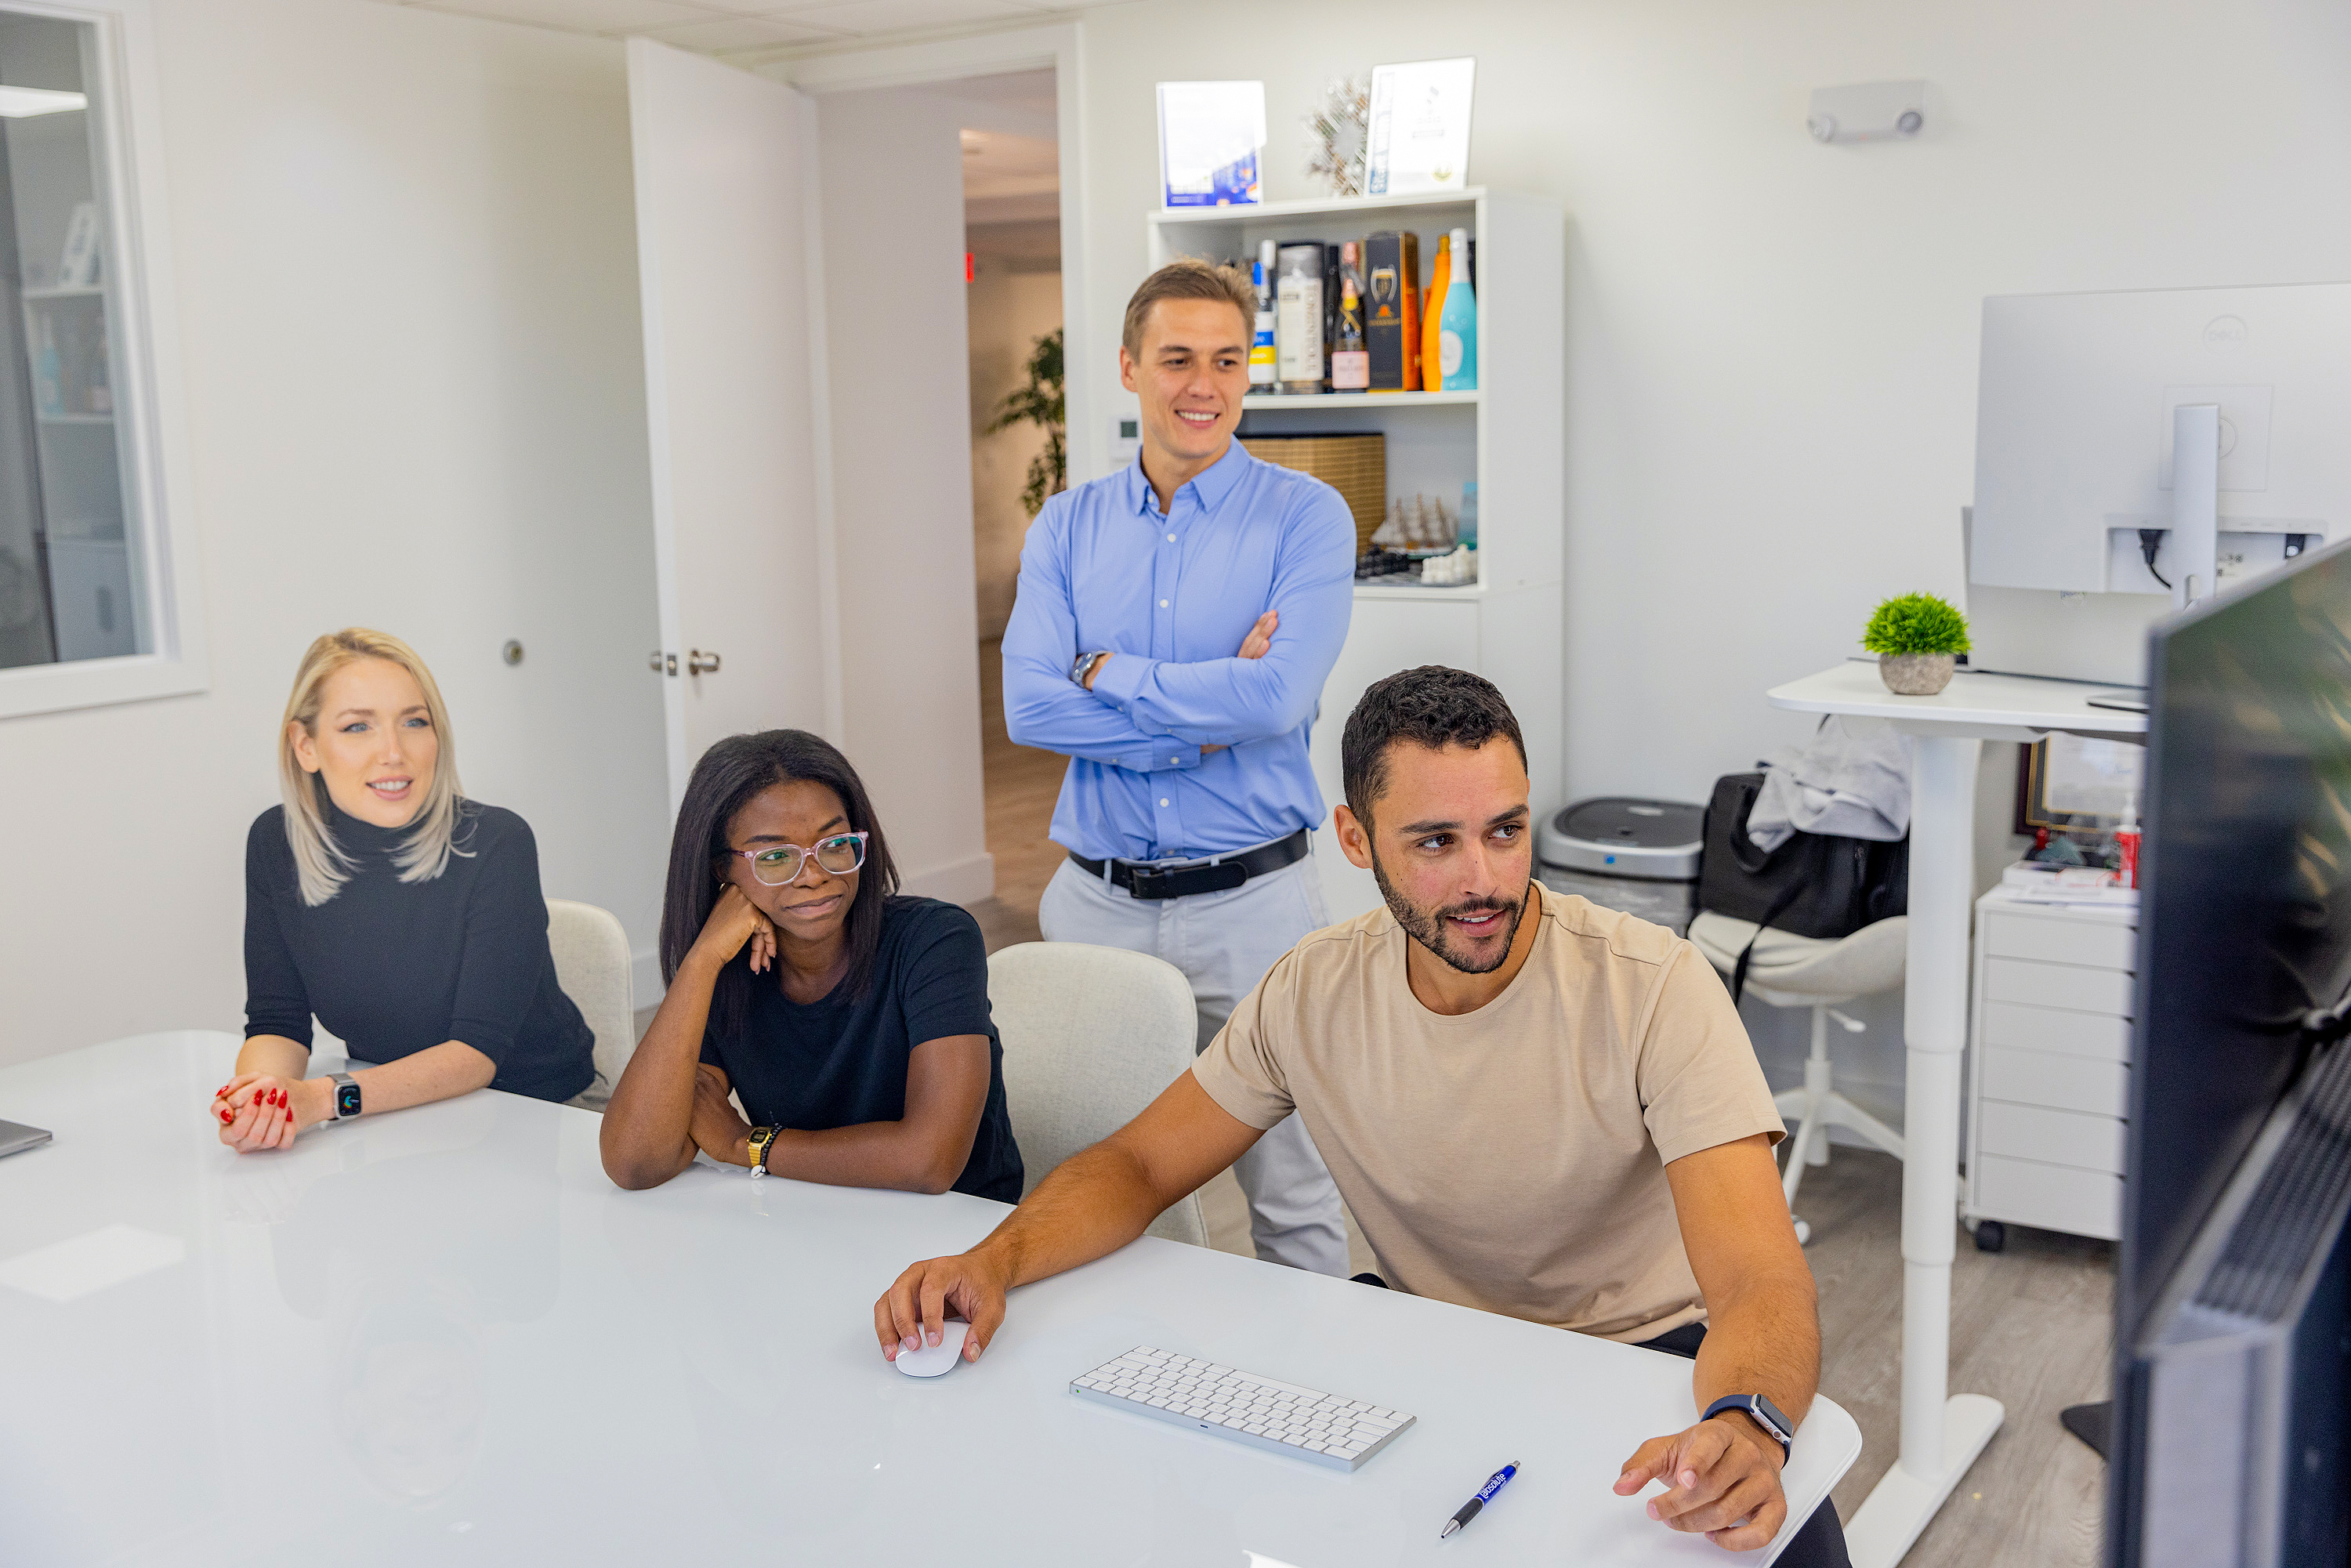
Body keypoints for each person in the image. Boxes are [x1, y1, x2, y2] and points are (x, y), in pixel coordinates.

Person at [875, 667, 1849, 1563]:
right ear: (1353, 840)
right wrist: (991, 1259)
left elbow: (1761, 1275)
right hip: (1426, 1355)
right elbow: (1137, 1167)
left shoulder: (1654, 987)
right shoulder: (1312, 989)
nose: (1483, 881)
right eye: (1435, 842)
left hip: (1651, 1359)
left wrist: (1748, 1423)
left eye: (1505, 831)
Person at [999, 258, 1357, 1274]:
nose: (1204, 384)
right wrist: (1202, 720)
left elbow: (1280, 697)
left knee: (1292, 1187)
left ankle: (1315, 1398)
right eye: (1177, 358)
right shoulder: (1068, 525)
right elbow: (1031, 704)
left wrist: (1112, 674)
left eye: (1228, 360)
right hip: (1096, 903)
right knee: (1086, 1167)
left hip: (1257, 907)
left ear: (1249, 373)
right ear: (1128, 367)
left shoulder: (1305, 516)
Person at [600, 730, 1022, 1200]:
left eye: (835, 844)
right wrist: (700, 962)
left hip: (958, 1240)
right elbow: (635, 1163)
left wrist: (746, 1146)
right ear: (722, 869)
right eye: (776, 856)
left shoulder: (935, 940)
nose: (816, 876)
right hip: (808, 1219)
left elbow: (930, 1162)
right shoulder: (726, 969)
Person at [219, 628, 598, 1151]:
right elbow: (276, 1019)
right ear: (305, 745)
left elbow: (474, 1056)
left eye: (415, 722)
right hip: (391, 1112)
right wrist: (261, 1098)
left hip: (535, 1113)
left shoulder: (498, 844)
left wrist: (324, 1099)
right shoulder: (275, 844)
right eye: (358, 727)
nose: (393, 752)